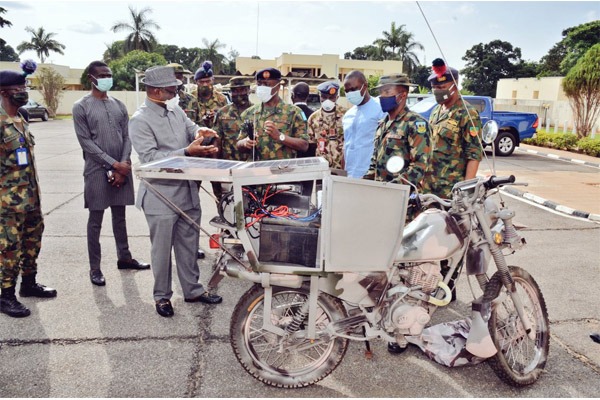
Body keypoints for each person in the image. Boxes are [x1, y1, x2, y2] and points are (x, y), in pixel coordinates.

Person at [129, 65, 223, 317]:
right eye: (172, 89)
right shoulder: (140, 120)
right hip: (161, 195)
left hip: (187, 190)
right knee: (161, 250)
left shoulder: (174, 109)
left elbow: (190, 127)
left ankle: (193, 290)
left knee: (189, 245)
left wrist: (201, 132)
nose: (176, 93)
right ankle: (162, 296)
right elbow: (148, 158)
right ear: (157, 91)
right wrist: (186, 152)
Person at [72, 60, 150, 287]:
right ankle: (95, 268)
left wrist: (124, 164)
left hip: (122, 169)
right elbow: (86, 142)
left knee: (120, 217)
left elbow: (127, 136)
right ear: (91, 78)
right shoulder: (81, 106)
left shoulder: (118, 105)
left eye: (109, 74)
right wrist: (113, 165)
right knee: (95, 220)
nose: (107, 77)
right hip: (97, 170)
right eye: (102, 74)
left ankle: (124, 257)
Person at [0, 60, 57, 318]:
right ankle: (6, 296)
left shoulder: (20, 118)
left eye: (24, 86)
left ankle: (29, 284)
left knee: (32, 241)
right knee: (8, 248)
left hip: (31, 196)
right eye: (18, 88)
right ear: (3, 92)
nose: (23, 91)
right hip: (7, 202)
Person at [422, 58, 483, 199]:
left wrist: (465, 191)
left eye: (442, 88)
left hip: (451, 190)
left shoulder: (467, 113)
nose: (437, 91)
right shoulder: (436, 111)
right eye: (435, 88)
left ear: (454, 86)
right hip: (429, 187)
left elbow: (474, 154)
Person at [363, 74, 431, 188]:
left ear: (403, 95)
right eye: (381, 92)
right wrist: (362, 184)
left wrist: (392, 187)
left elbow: (420, 167)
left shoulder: (415, 123)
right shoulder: (382, 124)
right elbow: (374, 165)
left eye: (387, 91)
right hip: (381, 194)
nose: (382, 96)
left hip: (404, 197)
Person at [236, 68, 309, 161]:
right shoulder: (249, 113)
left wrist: (280, 136)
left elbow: (304, 145)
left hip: (282, 170)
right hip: (256, 171)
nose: (262, 87)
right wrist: (245, 143)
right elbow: (239, 145)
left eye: (267, 84)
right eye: (259, 84)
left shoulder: (294, 112)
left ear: (278, 86)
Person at [342, 70, 386, 178]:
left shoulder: (380, 109)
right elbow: (346, 147)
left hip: (369, 175)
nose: (350, 93)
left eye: (353, 89)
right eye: (347, 91)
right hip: (349, 175)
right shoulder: (348, 115)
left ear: (365, 86)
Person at [307, 81, 347, 169]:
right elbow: (312, 145)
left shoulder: (346, 115)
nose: (327, 100)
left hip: (342, 167)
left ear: (337, 97)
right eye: (324, 97)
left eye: (331, 97)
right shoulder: (313, 118)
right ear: (320, 97)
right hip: (321, 167)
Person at [213, 76, 252, 161]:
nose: (238, 94)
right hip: (229, 163)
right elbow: (217, 141)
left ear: (248, 90)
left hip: (251, 163)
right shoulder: (222, 113)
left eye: (242, 90)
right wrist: (215, 163)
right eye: (234, 91)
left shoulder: (256, 112)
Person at [194, 60, 228, 128]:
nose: (205, 84)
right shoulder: (190, 98)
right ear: (196, 82)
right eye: (201, 82)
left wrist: (217, 116)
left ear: (213, 80)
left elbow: (227, 120)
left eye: (208, 81)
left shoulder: (221, 99)